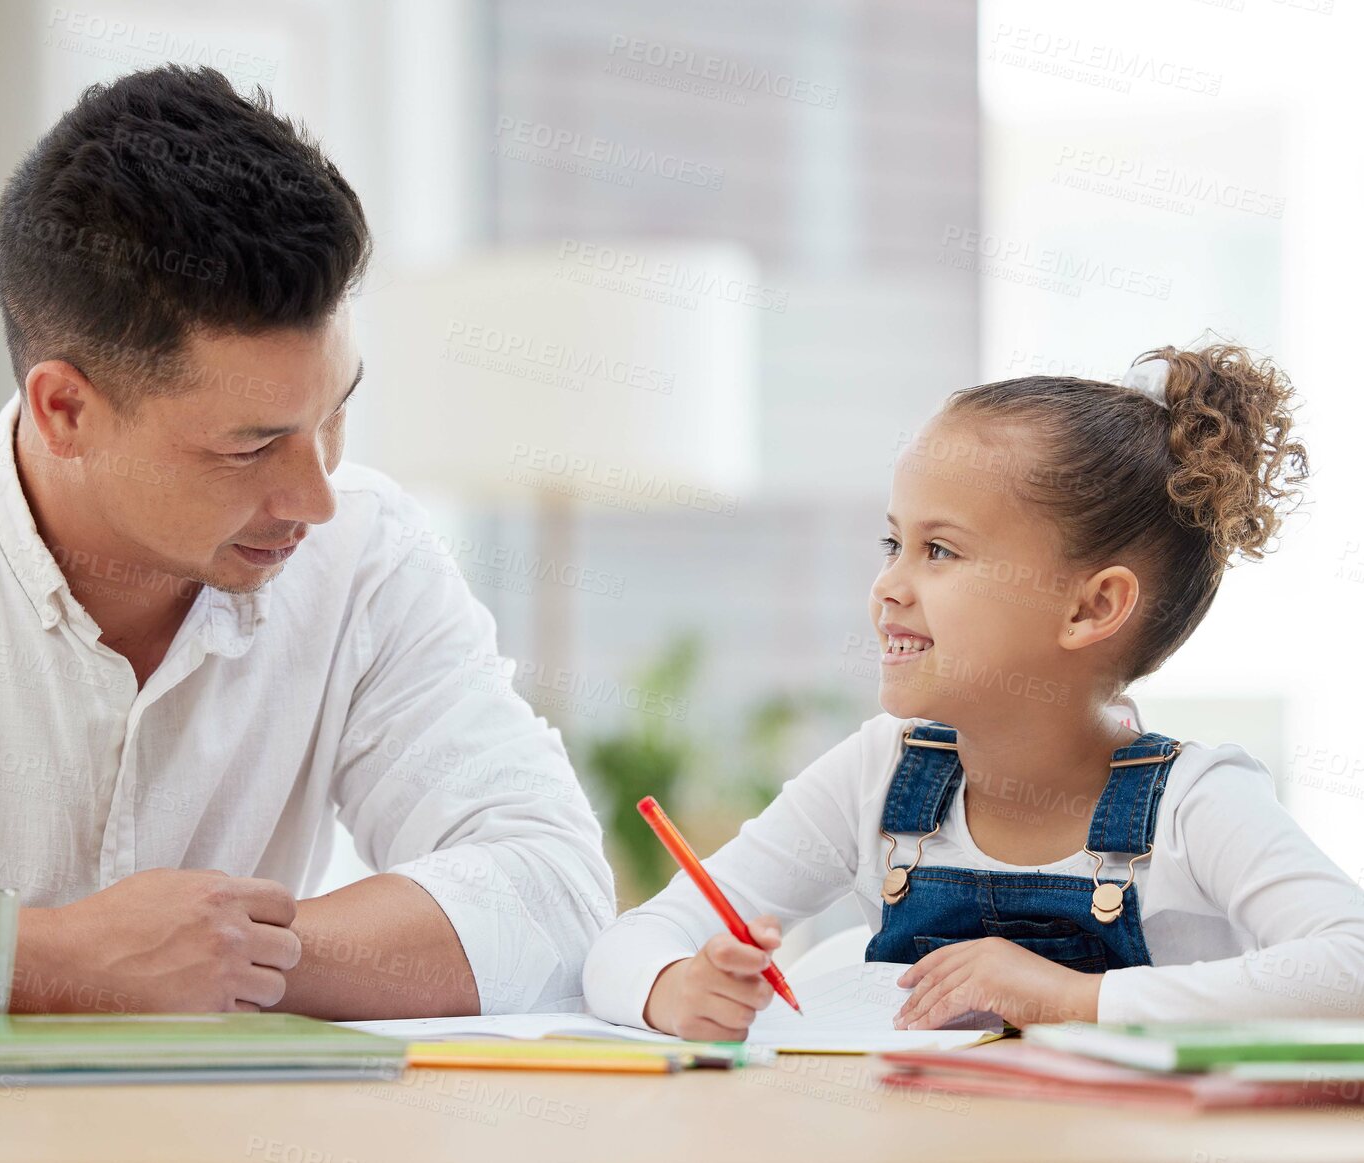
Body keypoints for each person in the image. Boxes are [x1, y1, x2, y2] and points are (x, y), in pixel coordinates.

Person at [0, 64, 613, 1019]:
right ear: (65, 409)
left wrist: (221, 956)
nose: (315, 496)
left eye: (334, 414)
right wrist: (48, 961)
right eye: (251, 445)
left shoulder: (370, 561)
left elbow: (551, 884)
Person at [584, 343, 1364, 1041]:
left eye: (940, 550)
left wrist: (1075, 997)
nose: (888, 585)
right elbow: (632, 938)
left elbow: (1351, 966)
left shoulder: (1195, 803)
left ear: (1092, 606)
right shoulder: (876, 774)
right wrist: (671, 987)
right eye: (894, 542)